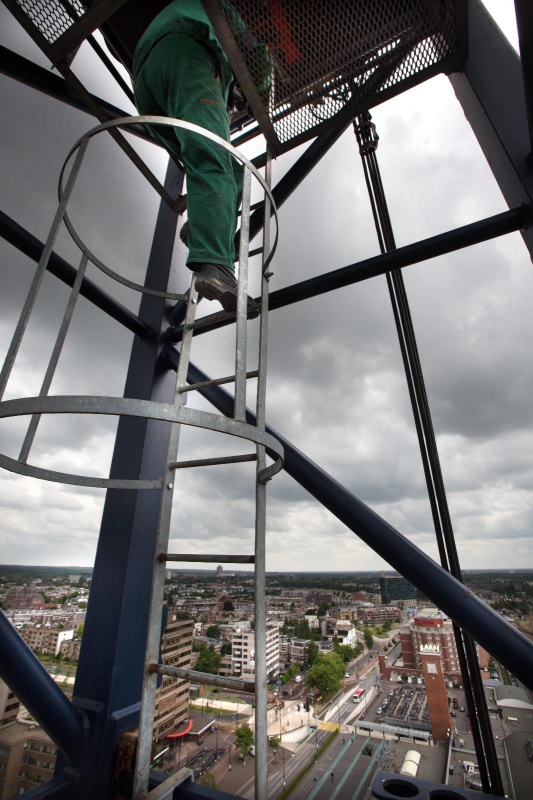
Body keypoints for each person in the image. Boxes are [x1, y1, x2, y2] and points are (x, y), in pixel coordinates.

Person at [133, 0, 254, 314]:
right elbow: (254, 46)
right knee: (214, 157)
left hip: (147, 78)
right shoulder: (218, 15)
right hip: (186, 51)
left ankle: (203, 226)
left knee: (231, 170)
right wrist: (264, 73)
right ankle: (217, 265)